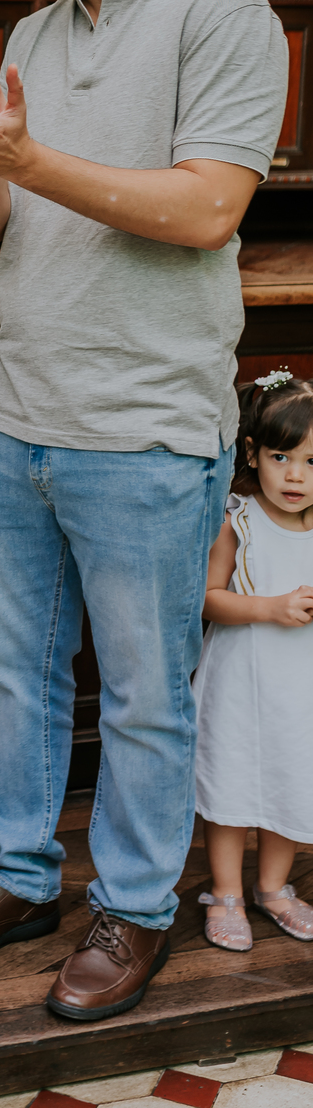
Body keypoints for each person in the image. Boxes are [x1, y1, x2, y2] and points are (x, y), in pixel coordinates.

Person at [0, 0, 288, 1020]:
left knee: (143, 688)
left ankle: (132, 909)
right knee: (16, 674)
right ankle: (15, 873)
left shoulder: (220, 11)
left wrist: (30, 157)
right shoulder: (33, 31)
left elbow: (207, 209)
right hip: (14, 413)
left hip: (146, 426)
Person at [195, 369, 313, 951]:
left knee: (290, 780)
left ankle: (273, 887)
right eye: (281, 457)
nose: (295, 476)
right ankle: (226, 893)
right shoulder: (238, 520)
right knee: (233, 784)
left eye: (312, 463)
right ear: (253, 452)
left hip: (300, 689)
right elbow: (209, 601)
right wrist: (269, 608)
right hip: (241, 681)